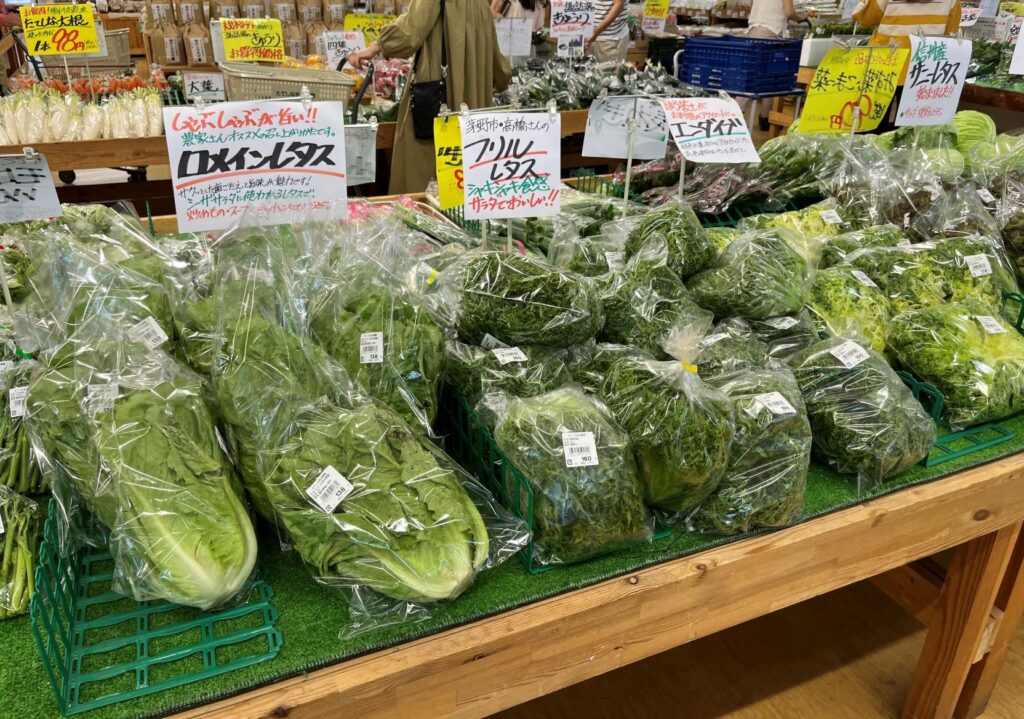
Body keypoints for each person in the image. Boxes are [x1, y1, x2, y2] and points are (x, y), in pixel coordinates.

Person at [348, 0, 512, 194]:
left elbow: (409, 32)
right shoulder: (481, 3)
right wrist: (502, 77)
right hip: (473, 95)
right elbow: (495, 56)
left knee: (424, 157)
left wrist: (374, 47)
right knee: (468, 159)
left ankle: (424, 213)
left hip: (438, 91)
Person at [744, 0, 804, 130]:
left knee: (759, 75)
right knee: (765, 76)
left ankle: (762, 117)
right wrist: (801, 18)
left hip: (754, 30)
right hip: (769, 32)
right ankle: (752, 116)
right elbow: (789, 12)